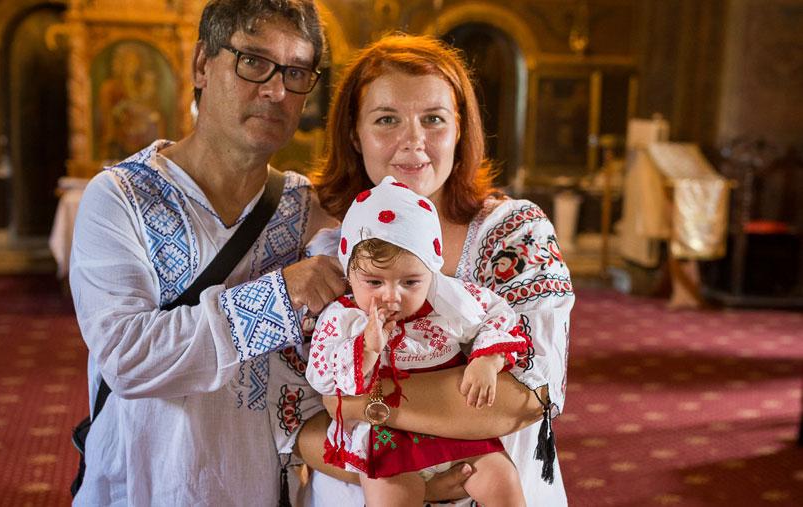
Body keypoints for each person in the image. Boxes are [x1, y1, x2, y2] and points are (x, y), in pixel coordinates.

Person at [69, 1, 347, 505]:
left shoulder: (308, 209)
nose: (277, 90)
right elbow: (128, 357)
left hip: (258, 485)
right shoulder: (120, 197)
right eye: (253, 62)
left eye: (296, 72)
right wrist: (279, 297)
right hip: (140, 483)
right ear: (202, 64)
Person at [297, 34, 575, 505]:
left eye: (434, 119)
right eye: (387, 119)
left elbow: (529, 395)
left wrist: (362, 401)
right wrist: (409, 482)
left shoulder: (514, 233)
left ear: (460, 130)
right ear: (353, 132)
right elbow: (300, 426)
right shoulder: (325, 243)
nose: (414, 141)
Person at [306, 176, 528, 505]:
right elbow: (322, 374)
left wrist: (487, 359)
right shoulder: (345, 318)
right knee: (390, 495)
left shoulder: (449, 301)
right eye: (374, 282)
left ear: (431, 272)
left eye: (410, 281)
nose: (391, 296)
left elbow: (500, 316)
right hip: (387, 437)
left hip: (454, 426)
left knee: (501, 479)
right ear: (349, 274)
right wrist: (367, 348)